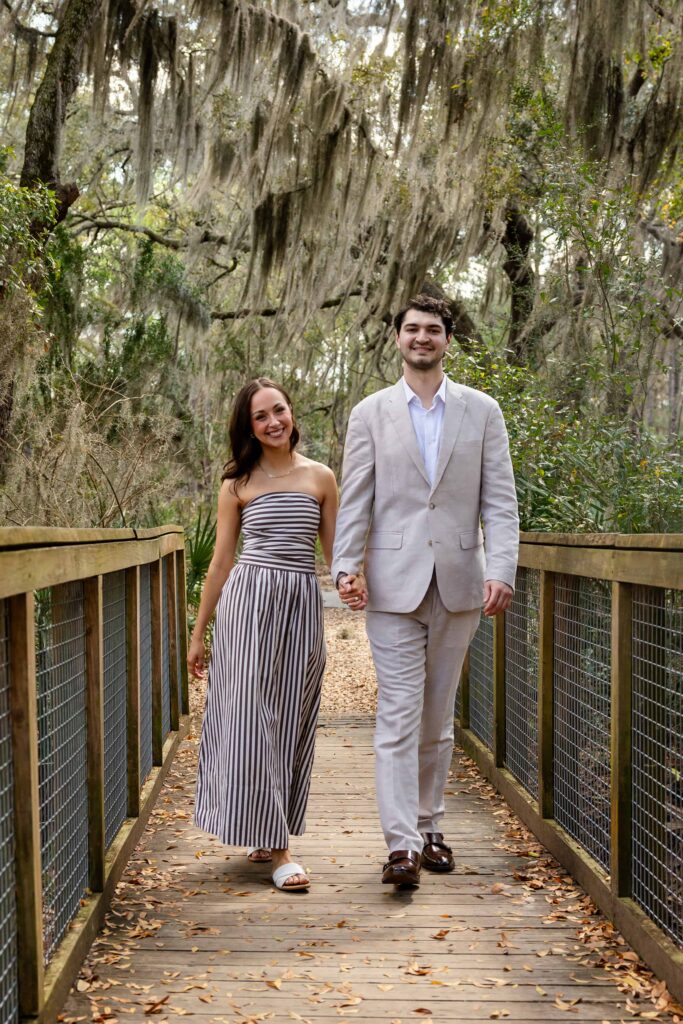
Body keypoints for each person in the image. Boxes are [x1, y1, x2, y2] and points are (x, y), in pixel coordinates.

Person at [332, 294, 519, 888]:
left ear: (447, 340)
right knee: (398, 714)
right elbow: (356, 497)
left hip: (461, 583)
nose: (421, 338)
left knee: (437, 718)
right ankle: (401, 846)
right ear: (397, 338)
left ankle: (430, 825)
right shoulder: (370, 413)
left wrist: (502, 569)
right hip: (392, 585)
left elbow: (501, 501)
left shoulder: (482, 411)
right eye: (411, 328)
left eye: (432, 329)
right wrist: (345, 566)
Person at [188, 377, 338, 892]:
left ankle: (264, 825)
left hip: (300, 605)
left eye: (279, 410)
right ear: (248, 427)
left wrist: (357, 581)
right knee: (252, 718)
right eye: (260, 416)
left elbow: (335, 555)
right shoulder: (237, 483)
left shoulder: (321, 477)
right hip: (248, 605)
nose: (273, 422)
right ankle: (279, 851)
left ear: (292, 412)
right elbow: (221, 563)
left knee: (290, 717)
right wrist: (199, 633)